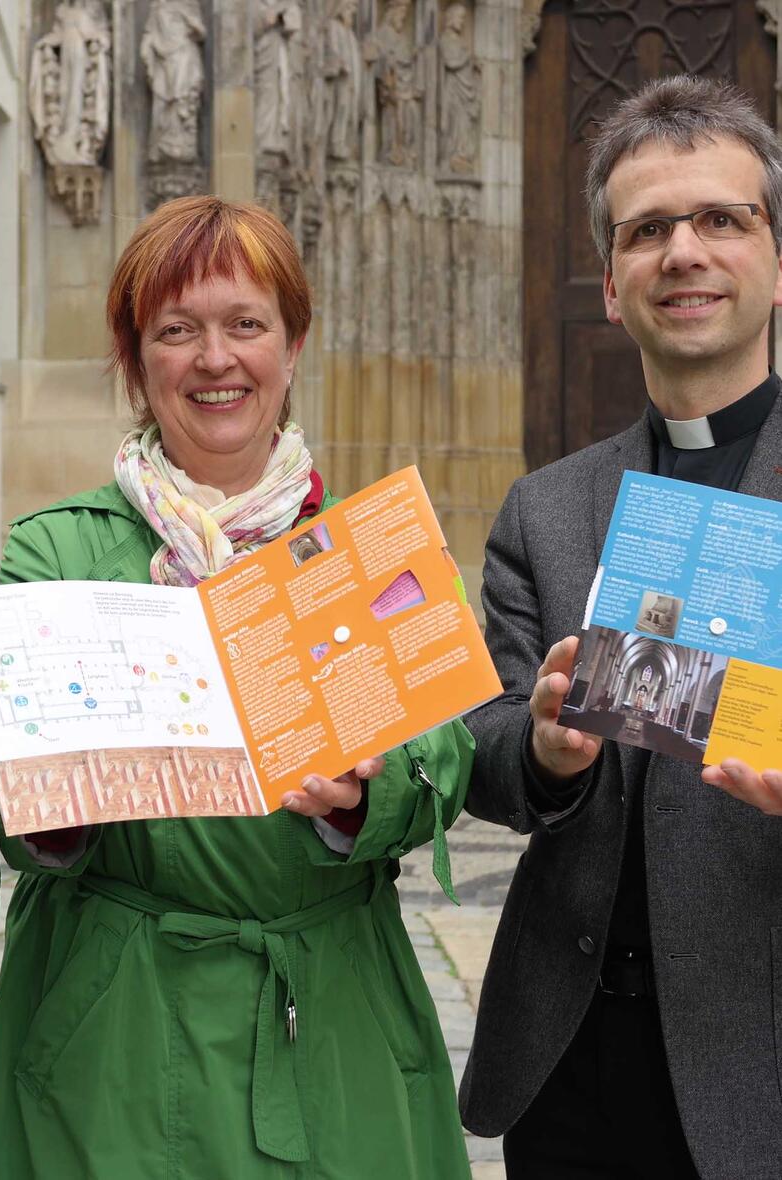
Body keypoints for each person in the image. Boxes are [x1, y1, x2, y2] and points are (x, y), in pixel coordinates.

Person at [0, 195, 476, 1179]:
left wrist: (370, 789)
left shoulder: (366, 541)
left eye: (245, 324)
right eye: (176, 330)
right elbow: (25, 832)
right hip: (117, 1018)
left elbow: (446, 752)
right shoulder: (57, 547)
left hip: (330, 1007)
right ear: (135, 357)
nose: (215, 358)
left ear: (294, 342)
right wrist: (20, 773)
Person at [459, 75, 782, 1179]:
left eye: (721, 219)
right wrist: (543, 751)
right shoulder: (547, 511)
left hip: (763, 1057)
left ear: (777, 263)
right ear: (610, 283)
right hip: (571, 1061)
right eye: (647, 230)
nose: (682, 251)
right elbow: (483, 749)